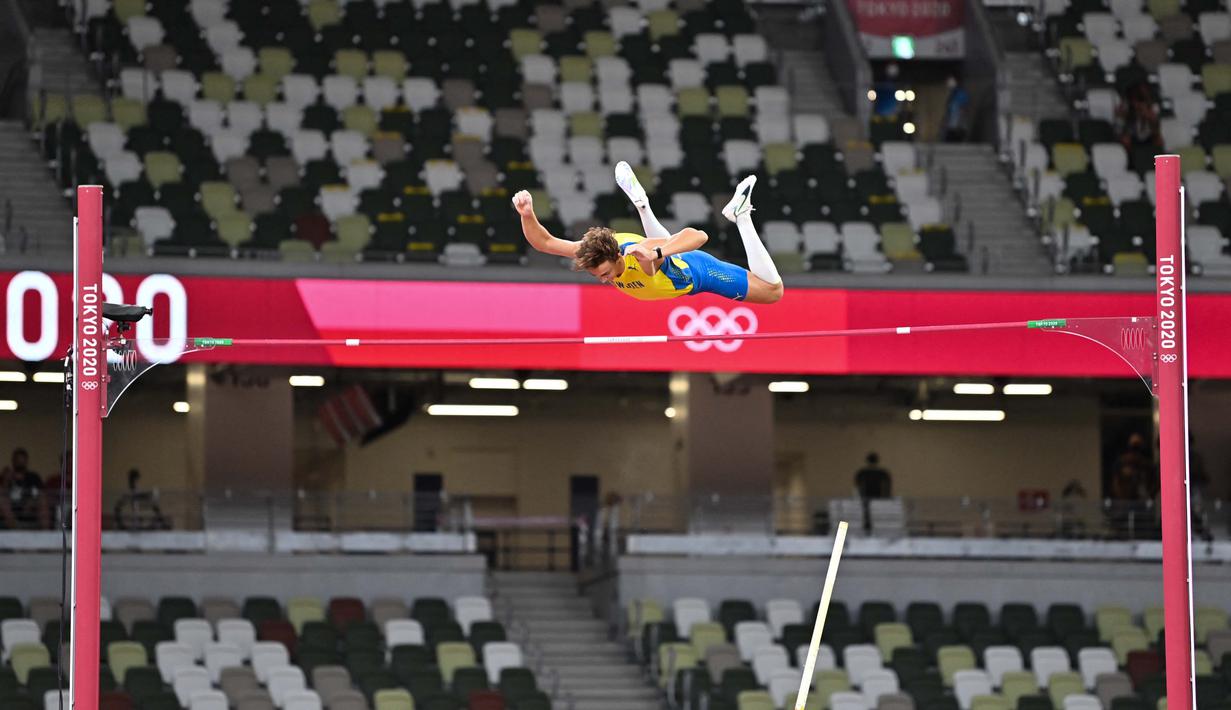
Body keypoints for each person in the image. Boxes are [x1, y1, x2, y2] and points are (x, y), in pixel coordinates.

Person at [512, 162, 784, 304]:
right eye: (599, 276)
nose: (605, 281)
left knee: (773, 293)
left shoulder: (632, 252)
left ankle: (742, 217)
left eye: (605, 274)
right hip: (664, 265)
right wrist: (527, 215)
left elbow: (699, 237)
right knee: (660, 254)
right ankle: (642, 205)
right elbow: (543, 242)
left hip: (697, 275)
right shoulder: (590, 252)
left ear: (616, 257)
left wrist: (655, 253)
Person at [0, 448, 49, 529]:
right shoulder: (7, 476)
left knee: (42, 499)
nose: (20, 462)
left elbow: (41, 493)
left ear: (26, 461)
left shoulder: (33, 477)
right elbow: (3, 492)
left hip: (29, 509)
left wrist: (31, 501)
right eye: (18, 460)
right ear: (13, 461)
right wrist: (6, 480)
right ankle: (15, 528)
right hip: (11, 508)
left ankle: (46, 533)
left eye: (22, 460)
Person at [854, 452, 892, 533]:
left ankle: (869, 529)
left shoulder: (863, 473)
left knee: (868, 514)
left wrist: (859, 496)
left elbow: (857, 486)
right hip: (876, 497)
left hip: (868, 497)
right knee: (875, 515)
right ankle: (873, 529)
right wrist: (887, 496)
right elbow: (887, 486)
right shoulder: (882, 473)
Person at [943, 75, 970, 142]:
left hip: (958, 126)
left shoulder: (960, 94)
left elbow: (963, 109)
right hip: (952, 125)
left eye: (951, 81)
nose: (948, 83)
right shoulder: (952, 95)